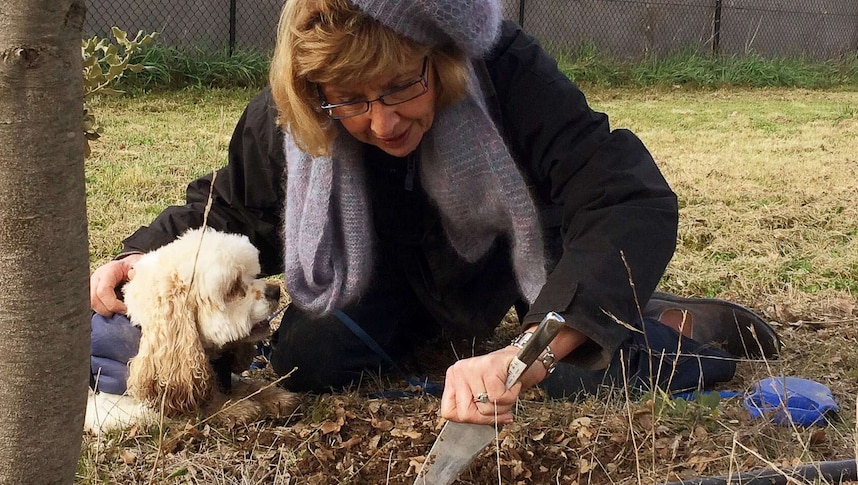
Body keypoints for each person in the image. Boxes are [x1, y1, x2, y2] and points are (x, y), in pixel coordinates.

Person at [90, 0, 781, 425]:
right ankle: (478, 340)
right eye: (351, 101)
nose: (383, 122)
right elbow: (234, 207)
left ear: (440, 61)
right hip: (381, 281)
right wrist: (140, 255)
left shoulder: (505, 67)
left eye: (401, 87)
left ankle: (649, 319)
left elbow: (624, 194)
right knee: (307, 360)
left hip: (512, 264)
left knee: (568, 377)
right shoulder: (294, 115)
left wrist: (526, 353)